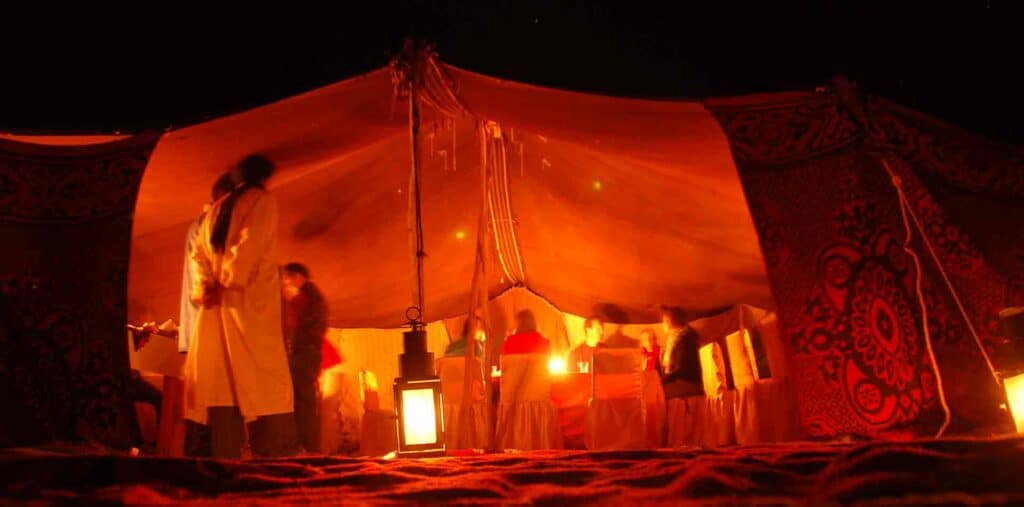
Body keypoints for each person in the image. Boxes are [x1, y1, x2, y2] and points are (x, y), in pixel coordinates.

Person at [184, 154, 294, 459]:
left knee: (223, 382)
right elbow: (251, 244)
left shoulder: (216, 209)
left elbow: (198, 254)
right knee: (264, 379)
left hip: (218, 306)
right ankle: (273, 457)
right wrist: (228, 280)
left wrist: (207, 285)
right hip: (248, 303)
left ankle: (224, 456)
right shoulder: (260, 202)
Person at [179, 173, 236, 354]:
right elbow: (206, 272)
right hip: (208, 314)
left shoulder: (204, 224)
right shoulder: (210, 224)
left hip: (204, 315)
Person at [281, 262, 329, 453]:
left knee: (303, 400)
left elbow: (299, 325)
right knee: (304, 399)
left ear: (298, 276)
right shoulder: (314, 296)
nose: (287, 282)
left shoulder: (307, 296)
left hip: (305, 353)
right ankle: (309, 444)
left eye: (289, 277)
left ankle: (308, 445)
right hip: (310, 352)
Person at [660, 306, 703, 399]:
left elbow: (681, 369)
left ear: (670, 322)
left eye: (664, 322)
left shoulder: (685, 339)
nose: (663, 325)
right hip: (678, 381)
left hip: (689, 383)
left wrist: (662, 380)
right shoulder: (673, 340)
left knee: (657, 394)